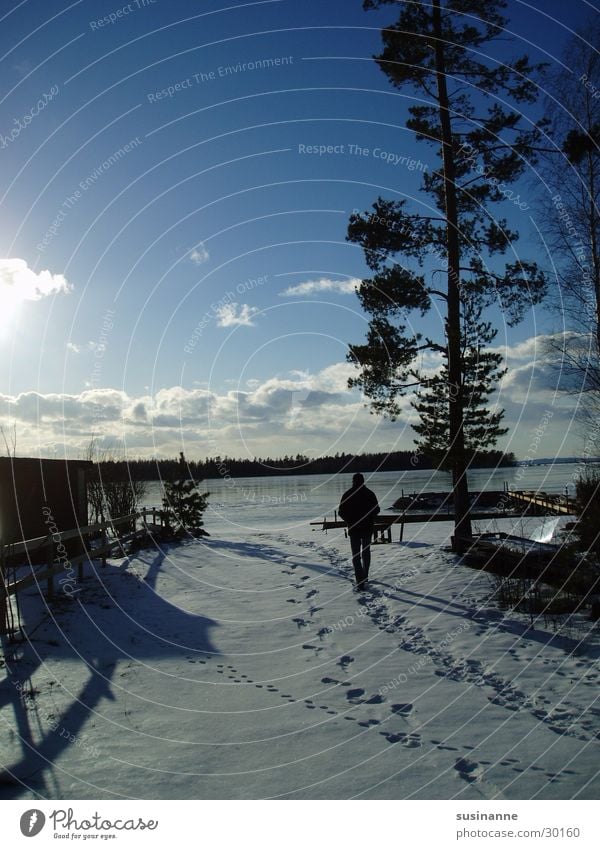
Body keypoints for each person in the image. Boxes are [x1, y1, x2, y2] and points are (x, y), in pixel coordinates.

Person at [338, 473, 380, 591]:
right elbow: (377, 509)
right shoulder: (370, 494)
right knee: (366, 552)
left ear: (353, 481)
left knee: (356, 555)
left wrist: (349, 520)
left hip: (354, 528)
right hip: (367, 528)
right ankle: (364, 576)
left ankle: (359, 579)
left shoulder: (347, 494)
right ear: (363, 481)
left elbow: (341, 511)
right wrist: (369, 518)